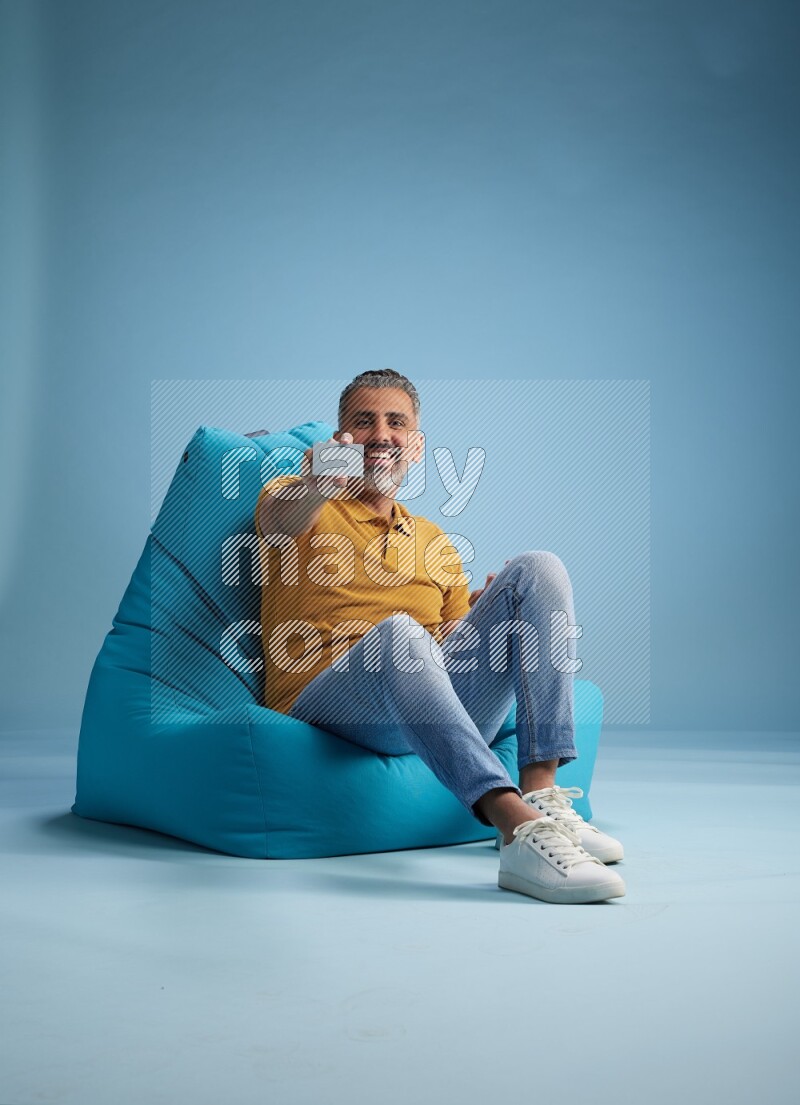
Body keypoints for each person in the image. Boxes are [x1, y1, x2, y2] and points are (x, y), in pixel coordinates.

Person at [254, 369, 625, 904]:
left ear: (416, 445)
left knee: (538, 569)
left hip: (426, 703)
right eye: (363, 422)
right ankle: (515, 828)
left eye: (396, 422)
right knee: (401, 637)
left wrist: (485, 617)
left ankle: (542, 794)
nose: (381, 434)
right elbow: (279, 524)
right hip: (334, 706)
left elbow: (445, 642)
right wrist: (317, 483)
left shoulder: (436, 542)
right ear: (340, 438)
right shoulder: (298, 499)